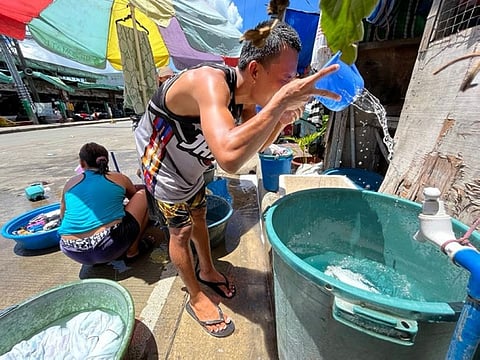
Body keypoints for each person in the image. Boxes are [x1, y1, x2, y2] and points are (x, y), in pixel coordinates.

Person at [134, 20, 340, 338]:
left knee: (200, 212)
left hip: (191, 162)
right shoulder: (209, 82)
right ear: (255, 70)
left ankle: (207, 268)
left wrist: (281, 117)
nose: (292, 84)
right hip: (163, 165)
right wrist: (281, 103)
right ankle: (196, 295)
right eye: (286, 79)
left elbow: (248, 151)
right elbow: (229, 158)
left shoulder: (244, 99)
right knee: (181, 230)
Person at [58, 142, 150, 266]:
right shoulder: (119, 178)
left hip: (71, 248)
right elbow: (134, 199)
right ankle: (132, 251)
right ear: (106, 161)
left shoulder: (70, 183)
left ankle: (96, 259)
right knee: (144, 195)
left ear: (82, 164)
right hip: (108, 245)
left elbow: (63, 216)